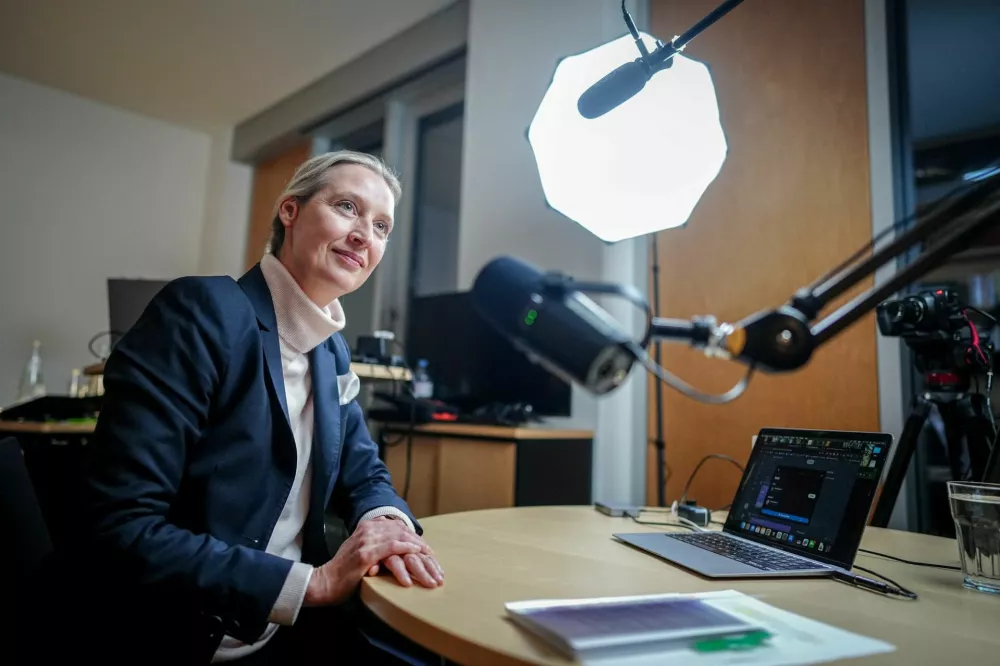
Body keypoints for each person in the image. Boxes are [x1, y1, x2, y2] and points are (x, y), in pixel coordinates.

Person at [68, 151, 443, 664]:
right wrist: (315, 583)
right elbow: (120, 525)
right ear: (290, 211)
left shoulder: (330, 351)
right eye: (347, 207)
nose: (364, 235)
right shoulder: (201, 312)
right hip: (176, 634)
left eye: (381, 226)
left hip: (281, 628)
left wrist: (389, 525)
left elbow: (365, 471)